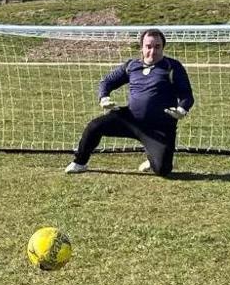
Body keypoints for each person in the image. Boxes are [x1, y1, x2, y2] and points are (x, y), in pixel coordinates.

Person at [65, 28, 194, 177]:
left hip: (159, 127)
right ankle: (80, 162)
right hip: (130, 119)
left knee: (162, 170)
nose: (152, 51)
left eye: (157, 47)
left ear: (163, 47)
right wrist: (103, 97)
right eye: (148, 47)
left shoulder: (173, 67)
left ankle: (152, 157)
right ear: (142, 47)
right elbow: (107, 81)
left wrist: (182, 109)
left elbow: (187, 95)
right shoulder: (132, 66)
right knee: (95, 126)